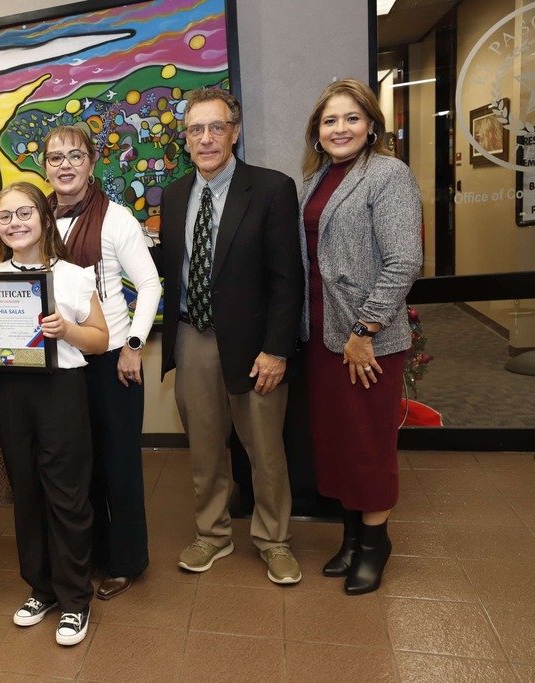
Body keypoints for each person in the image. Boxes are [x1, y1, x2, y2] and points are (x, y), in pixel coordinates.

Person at [154, 87, 304, 585]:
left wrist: (277, 349)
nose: (206, 138)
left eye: (216, 127)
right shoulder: (174, 196)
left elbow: (288, 279)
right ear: (186, 139)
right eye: (196, 129)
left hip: (256, 344)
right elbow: (170, 269)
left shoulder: (270, 189)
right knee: (203, 448)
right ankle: (213, 535)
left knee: (264, 449)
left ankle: (274, 540)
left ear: (235, 132)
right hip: (193, 336)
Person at [0, 182, 109, 646]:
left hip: (61, 389)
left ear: (43, 218)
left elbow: (99, 340)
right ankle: (42, 589)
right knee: (26, 487)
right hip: (10, 388)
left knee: (66, 492)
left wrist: (67, 330)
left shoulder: (75, 275)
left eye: (24, 213)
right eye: (5, 217)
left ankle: (75, 599)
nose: (14, 223)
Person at [299, 78, 422, 595]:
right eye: (330, 120)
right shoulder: (315, 179)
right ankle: (350, 536)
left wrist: (364, 330)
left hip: (363, 341)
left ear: (372, 125)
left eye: (352, 118)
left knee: (369, 445)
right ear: (317, 132)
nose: (340, 128)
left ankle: (375, 545)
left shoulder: (389, 175)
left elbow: (404, 261)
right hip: (321, 336)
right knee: (337, 444)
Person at [40, 125, 160, 600]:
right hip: (63, 361)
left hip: (112, 358)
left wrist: (134, 344)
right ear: (44, 167)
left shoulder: (116, 219)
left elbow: (149, 285)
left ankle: (127, 561)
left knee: (120, 465)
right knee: (78, 466)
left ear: (92, 163)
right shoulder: (39, 217)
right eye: (55, 158)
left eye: (74, 156)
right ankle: (88, 553)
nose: (65, 165)